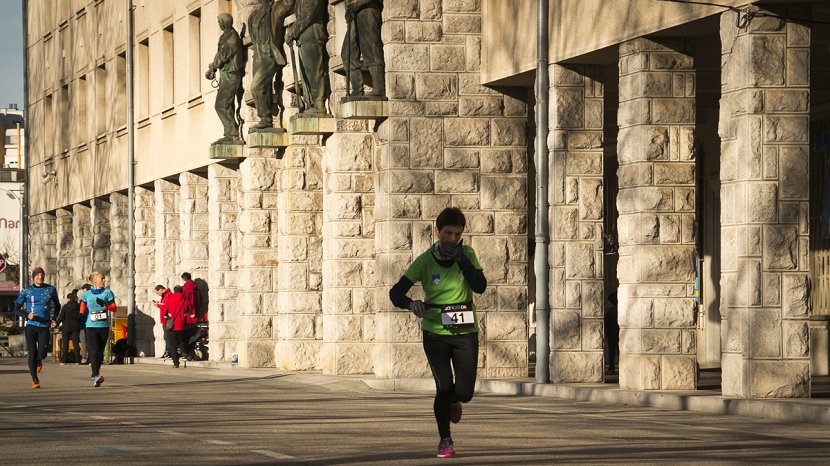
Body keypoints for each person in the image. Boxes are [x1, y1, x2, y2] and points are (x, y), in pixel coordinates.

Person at [389, 208, 487, 458]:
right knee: (443, 388)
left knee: (464, 393)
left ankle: (455, 400)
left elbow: (480, 287)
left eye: (458, 234)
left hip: (465, 332)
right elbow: (396, 293)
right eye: (448, 233)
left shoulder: (467, 254)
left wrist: (462, 260)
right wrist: (411, 304)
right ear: (437, 231)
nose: (453, 239)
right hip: (435, 332)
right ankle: (445, 439)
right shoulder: (425, 260)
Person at [14, 266, 61, 389]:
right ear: (33, 277)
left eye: (42, 275)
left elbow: (57, 306)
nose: (40, 277)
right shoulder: (27, 290)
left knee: (42, 353)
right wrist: (26, 315)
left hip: (44, 325)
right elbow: (16, 309)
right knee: (32, 352)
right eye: (37, 275)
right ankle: (34, 379)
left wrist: (54, 319)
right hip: (31, 325)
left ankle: (39, 360)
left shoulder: (50, 289)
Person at [248, 0, 289, 129]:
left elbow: (288, 4)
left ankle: (265, 117)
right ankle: (266, 120)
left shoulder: (274, 8)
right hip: (258, 53)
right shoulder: (255, 11)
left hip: (269, 53)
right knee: (263, 88)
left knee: (255, 87)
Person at [205, 13, 245, 144]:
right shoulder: (226, 36)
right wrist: (213, 65)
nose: (219, 25)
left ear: (224, 23)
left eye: (220, 23)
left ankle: (232, 133)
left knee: (220, 105)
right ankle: (230, 133)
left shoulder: (232, 38)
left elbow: (223, 55)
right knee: (227, 104)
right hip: (226, 75)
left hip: (231, 75)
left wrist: (212, 68)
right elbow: (220, 55)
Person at [285, 0, 330, 114]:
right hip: (303, 36)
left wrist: (292, 32)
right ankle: (311, 103)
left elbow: (307, 14)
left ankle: (319, 104)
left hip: (312, 32)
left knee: (313, 71)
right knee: (306, 73)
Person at [79, 271, 117, 387]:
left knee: (100, 352)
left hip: (103, 326)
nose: (104, 280)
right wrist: (80, 318)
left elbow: (114, 308)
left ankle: (95, 373)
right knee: (93, 350)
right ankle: (96, 375)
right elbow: (82, 309)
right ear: (94, 281)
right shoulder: (87, 295)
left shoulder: (108, 293)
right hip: (90, 326)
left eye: (104, 278)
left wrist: (105, 304)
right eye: (102, 278)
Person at [342, 0, 385, 98]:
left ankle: (379, 88)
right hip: (354, 11)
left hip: (368, 8)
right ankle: (357, 90)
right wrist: (348, 10)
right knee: (347, 52)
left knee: (371, 48)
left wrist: (359, 4)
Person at [54, 290, 83, 365]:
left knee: (65, 344)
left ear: (68, 299)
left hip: (66, 327)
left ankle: (64, 360)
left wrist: (56, 325)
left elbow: (60, 317)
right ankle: (77, 360)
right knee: (76, 344)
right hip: (76, 327)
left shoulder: (65, 307)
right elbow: (80, 316)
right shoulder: (78, 306)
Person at [162, 286, 188, 368]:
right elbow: (189, 310)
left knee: (172, 345)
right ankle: (184, 353)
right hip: (181, 325)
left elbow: (165, 311)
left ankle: (176, 363)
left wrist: (165, 319)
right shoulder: (185, 299)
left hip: (172, 325)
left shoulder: (170, 298)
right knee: (182, 341)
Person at [153, 284, 173, 358]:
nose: (158, 294)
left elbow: (166, 306)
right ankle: (168, 351)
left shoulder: (168, 295)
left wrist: (157, 304)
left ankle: (169, 351)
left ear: (161, 290)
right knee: (166, 336)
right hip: (165, 320)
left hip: (167, 320)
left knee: (167, 336)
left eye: (157, 292)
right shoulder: (165, 296)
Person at [78, 283, 91, 364]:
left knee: (85, 341)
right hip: (86, 324)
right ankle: (87, 357)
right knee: (87, 341)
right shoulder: (88, 301)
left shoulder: (84, 302)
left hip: (86, 324)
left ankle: (85, 357)